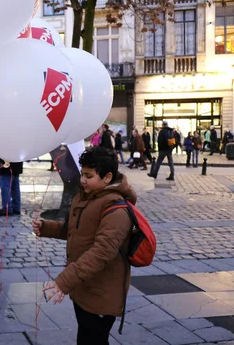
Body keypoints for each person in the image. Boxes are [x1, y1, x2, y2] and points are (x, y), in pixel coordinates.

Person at [32, 147, 134, 344]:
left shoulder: (116, 209)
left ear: (107, 177)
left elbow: (101, 252)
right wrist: (47, 228)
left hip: (102, 292)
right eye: (82, 174)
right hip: (84, 287)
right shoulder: (85, 197)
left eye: (89, 175)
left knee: (93, 339)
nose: (83, 180)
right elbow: (77, 230)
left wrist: (64, 282)